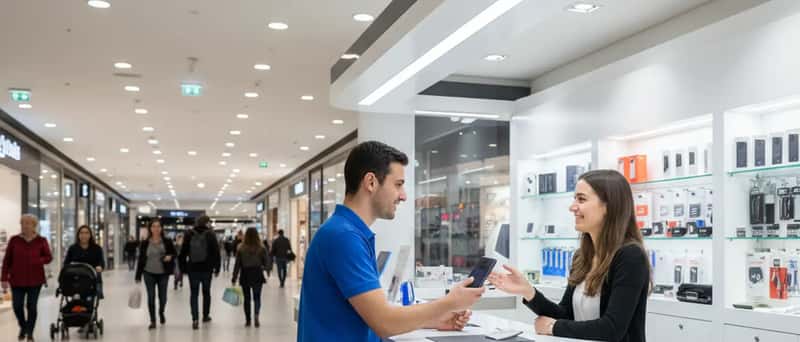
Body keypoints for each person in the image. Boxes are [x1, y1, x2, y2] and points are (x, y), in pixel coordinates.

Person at [297, 141, 484, 341]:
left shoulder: (346, 231)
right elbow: (384, 322)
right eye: (398, 185)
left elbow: (367, 314)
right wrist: (449, 303)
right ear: (371, 182)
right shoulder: (343, 237)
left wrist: (434, 321)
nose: (403, 196)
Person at [489, 170, 651, 342]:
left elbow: (612, 328)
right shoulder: (582, 256)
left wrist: (553, 327)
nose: (572, 207)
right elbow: (566, 314)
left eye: (581, 199)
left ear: (609, 206)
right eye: (574, 199)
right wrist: (528, 291)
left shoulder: (630, 256)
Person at [1, 214, 53, 342]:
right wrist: (3, 278)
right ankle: (23, 326)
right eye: (23, 223)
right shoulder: (14, 240)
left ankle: (30, 332)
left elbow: (48, 257)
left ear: (34, 225)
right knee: (17, 306)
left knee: (32, 306)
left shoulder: (41, 241)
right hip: (17, 279)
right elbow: (7, 260)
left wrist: (38, 260)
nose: (25, 225)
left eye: (28, 223)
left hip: (35, 280)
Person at [179, 215, 221, 330]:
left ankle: (195, 319)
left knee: (194, 294)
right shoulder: (210, 234)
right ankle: (205, 315)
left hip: (193, 268)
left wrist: (183, 268)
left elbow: (183, 252)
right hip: (207, 269)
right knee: (206, 293)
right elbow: (216, 252)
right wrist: (217, 268)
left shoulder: (189, 234)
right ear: (207, 223)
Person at [135, 220, 177, 330]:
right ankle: (153, 320)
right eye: (154, 226)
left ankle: (161, 312)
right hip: (148, 272)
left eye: (158, 226)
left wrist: (170, 256)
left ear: (161, 228)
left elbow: (174, 253)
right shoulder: (145, 243)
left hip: (163, 273)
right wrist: (138, 275)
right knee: (151, 297)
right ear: (150, 228)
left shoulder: (167, 241)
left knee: (163, 297)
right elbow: (141, 259)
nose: (156, 228)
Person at [232, 228, 271, 327]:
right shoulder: (261, 248)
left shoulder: (241, 248)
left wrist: (234, 277)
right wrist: (267, 270)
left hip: (245, 274)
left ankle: (248, 319)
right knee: (257, 297)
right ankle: (256, 315)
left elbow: (237, 264)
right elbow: (266, 261)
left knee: (247, 298)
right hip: (257, 273)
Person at [63, 225, 105, 300]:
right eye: (81, 233)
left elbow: (101, 262)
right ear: (78, 235)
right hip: (76, 280)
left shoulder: (97, 248)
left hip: (91, 280)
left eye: (86, 233)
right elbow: (66, 263)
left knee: (89, 304)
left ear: (90, 235)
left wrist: (100, 267)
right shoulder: (73, 248)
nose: (84, 235)